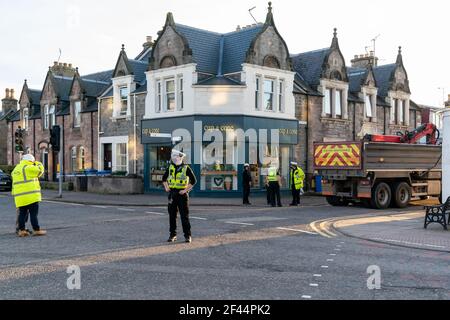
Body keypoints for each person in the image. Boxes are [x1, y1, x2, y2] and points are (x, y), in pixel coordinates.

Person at [162, 150, 197, 244]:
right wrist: (166, 187)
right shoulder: (170, 167)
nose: (173, 158)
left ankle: (187, 235)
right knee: (172, 216)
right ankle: (173, 235)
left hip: (182, 195)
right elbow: (164, 179)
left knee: (184, 216)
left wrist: (185, 190)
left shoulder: (186, 168)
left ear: (180, 157)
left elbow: (193, 181)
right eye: (173, 156)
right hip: (172, 194)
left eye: (175, 156)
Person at [11, 154, 47, 237]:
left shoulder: (16, 169)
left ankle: (21, 230)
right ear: (31, 161)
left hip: (19, 197)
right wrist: (38, 163)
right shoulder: (28, 167)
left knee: (22, 214)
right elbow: (40, 171)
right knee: (33, 214)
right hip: (31, 196)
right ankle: (36, 230)